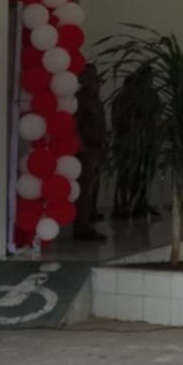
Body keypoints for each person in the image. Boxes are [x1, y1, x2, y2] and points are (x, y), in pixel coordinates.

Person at [110, 65, 159, 219]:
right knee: (125, 176)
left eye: (150, 78)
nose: (148, 81)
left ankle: (138, 204)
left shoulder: (151, 96)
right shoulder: (125, 97)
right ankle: (121, 207)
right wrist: (140, 123)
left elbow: (156, 116)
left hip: (146, 142)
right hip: (127, 142)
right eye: (145, 78)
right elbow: (119, 121)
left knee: (142, 175)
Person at [73, 64, 107, 241]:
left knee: (92, 187)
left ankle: (89, 217)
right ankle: (81, 226)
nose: (96, 85)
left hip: (97, 147)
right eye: (92, 81)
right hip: (86, 149)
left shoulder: (96, 100)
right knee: (84, 189)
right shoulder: (79, 100)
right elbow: (75, 127)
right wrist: (82, 149)